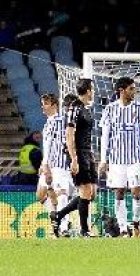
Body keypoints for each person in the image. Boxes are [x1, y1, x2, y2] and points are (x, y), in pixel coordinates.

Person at [98, 77, 140, 237]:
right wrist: (103, 159)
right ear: (121, 90)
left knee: (137, 192)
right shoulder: (109, 109)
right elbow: (105, 136)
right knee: (119, 193)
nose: (134, 91)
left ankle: (136, 223)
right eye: (131, 89)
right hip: (116, 160)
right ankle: (123, 229)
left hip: (136, 158)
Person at [50, 78, 97, 238]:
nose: (94, 92)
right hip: (78, 153)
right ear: (88, 90)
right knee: (84, 191)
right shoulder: (74, 107)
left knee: (90, 193)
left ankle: (59, 215)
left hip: (87, 153)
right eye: (93, 89)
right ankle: (85, 231)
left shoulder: (85, 108)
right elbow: (69, 134)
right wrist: (74, 158)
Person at [38, 93, 75, 237]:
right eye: (42, 103)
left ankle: (64, 227)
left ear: (54, 105)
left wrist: (73, 159)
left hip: (60, 165)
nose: (43, 106)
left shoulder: (62, 121)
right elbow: (47, 146)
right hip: (49, 164)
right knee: (41, 195)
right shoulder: (47, 124)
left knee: (61, 194)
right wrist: (44, 163)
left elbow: (69, 140)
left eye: (46, 103)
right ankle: (58, 217)